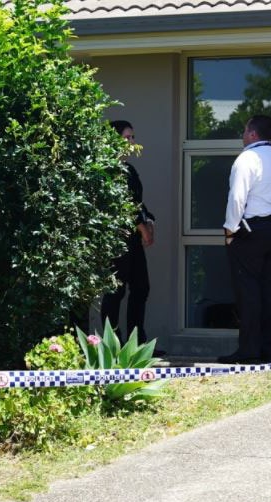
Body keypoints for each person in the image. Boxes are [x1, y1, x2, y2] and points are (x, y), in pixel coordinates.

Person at [219, 114, 271, 364]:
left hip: (250, 229)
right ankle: (266, 349)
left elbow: (237, 198)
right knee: (268, 289)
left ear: (253, 134)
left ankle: (248, 351)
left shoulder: (247, 159)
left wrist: (230, 229)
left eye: (244, 130)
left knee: (248, 290)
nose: (242, 135)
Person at [101, 120, 155, 343]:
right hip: (116, 238)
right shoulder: (107, 169)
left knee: (141, 287)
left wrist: (150, 221)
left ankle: (136, 343)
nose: (132, 142)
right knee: (115, 291)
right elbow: (120, 204)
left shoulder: (129, 169)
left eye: (133, 137)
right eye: (127, 138)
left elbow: (137, 203)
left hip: (132, 239)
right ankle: (111, 344)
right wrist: (141, 227)